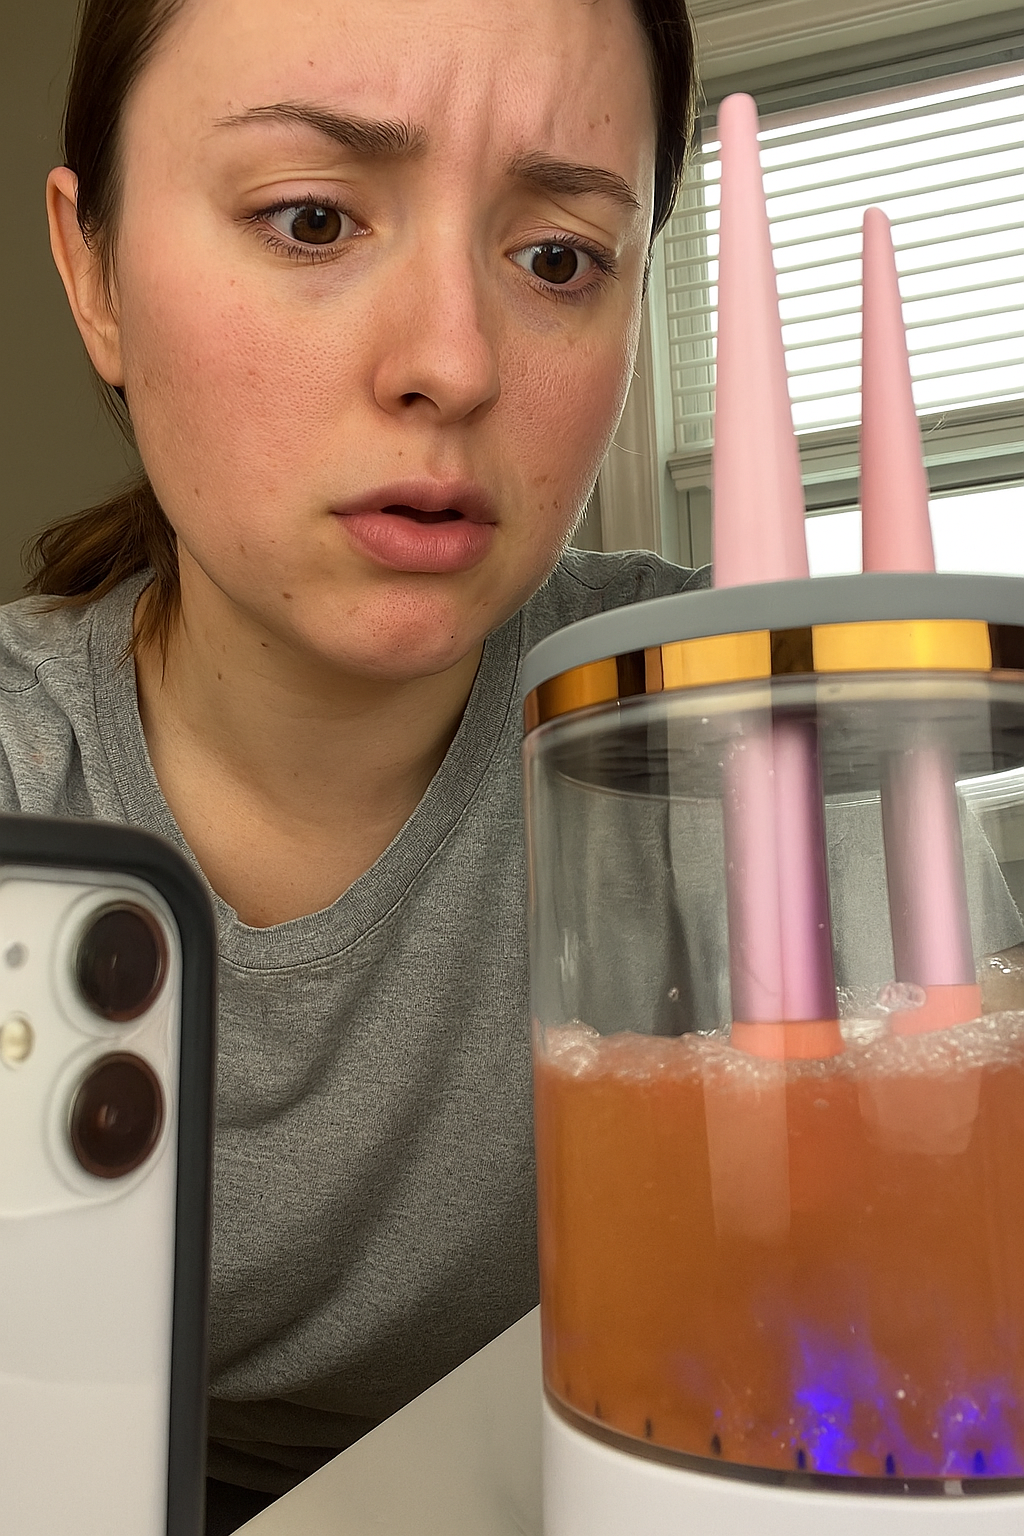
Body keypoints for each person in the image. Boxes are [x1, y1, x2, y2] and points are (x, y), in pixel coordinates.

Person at [1, 0, 703, 1529]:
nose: (452, 363)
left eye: (558, 258)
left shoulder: (721, 725)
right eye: (313, 219)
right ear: (93, 269)